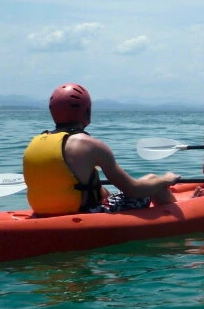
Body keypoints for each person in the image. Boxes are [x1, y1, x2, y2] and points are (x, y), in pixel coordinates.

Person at [23, 83, 180, 215]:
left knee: (139, 181)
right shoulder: (90, 145)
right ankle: (182, 214)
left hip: (43, 212)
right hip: (85, 213)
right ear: (87, 112)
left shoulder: (35, 143)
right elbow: (134, 190)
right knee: (154, 182)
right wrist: (166, 179)